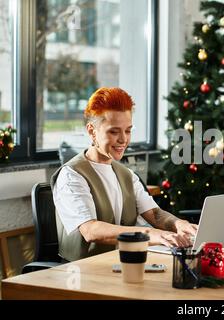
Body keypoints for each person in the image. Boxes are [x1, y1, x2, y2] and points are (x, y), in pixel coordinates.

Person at [51, 87, 197, 262]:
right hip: (82, 272)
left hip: (122, 263)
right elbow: (91, 231)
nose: (123, 139)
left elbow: (155, 214)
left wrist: (178, 224)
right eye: (114, 131)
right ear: (92, 131)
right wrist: (153, 235)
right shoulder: (71, 175)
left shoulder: (126, 174)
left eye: (127, 130)